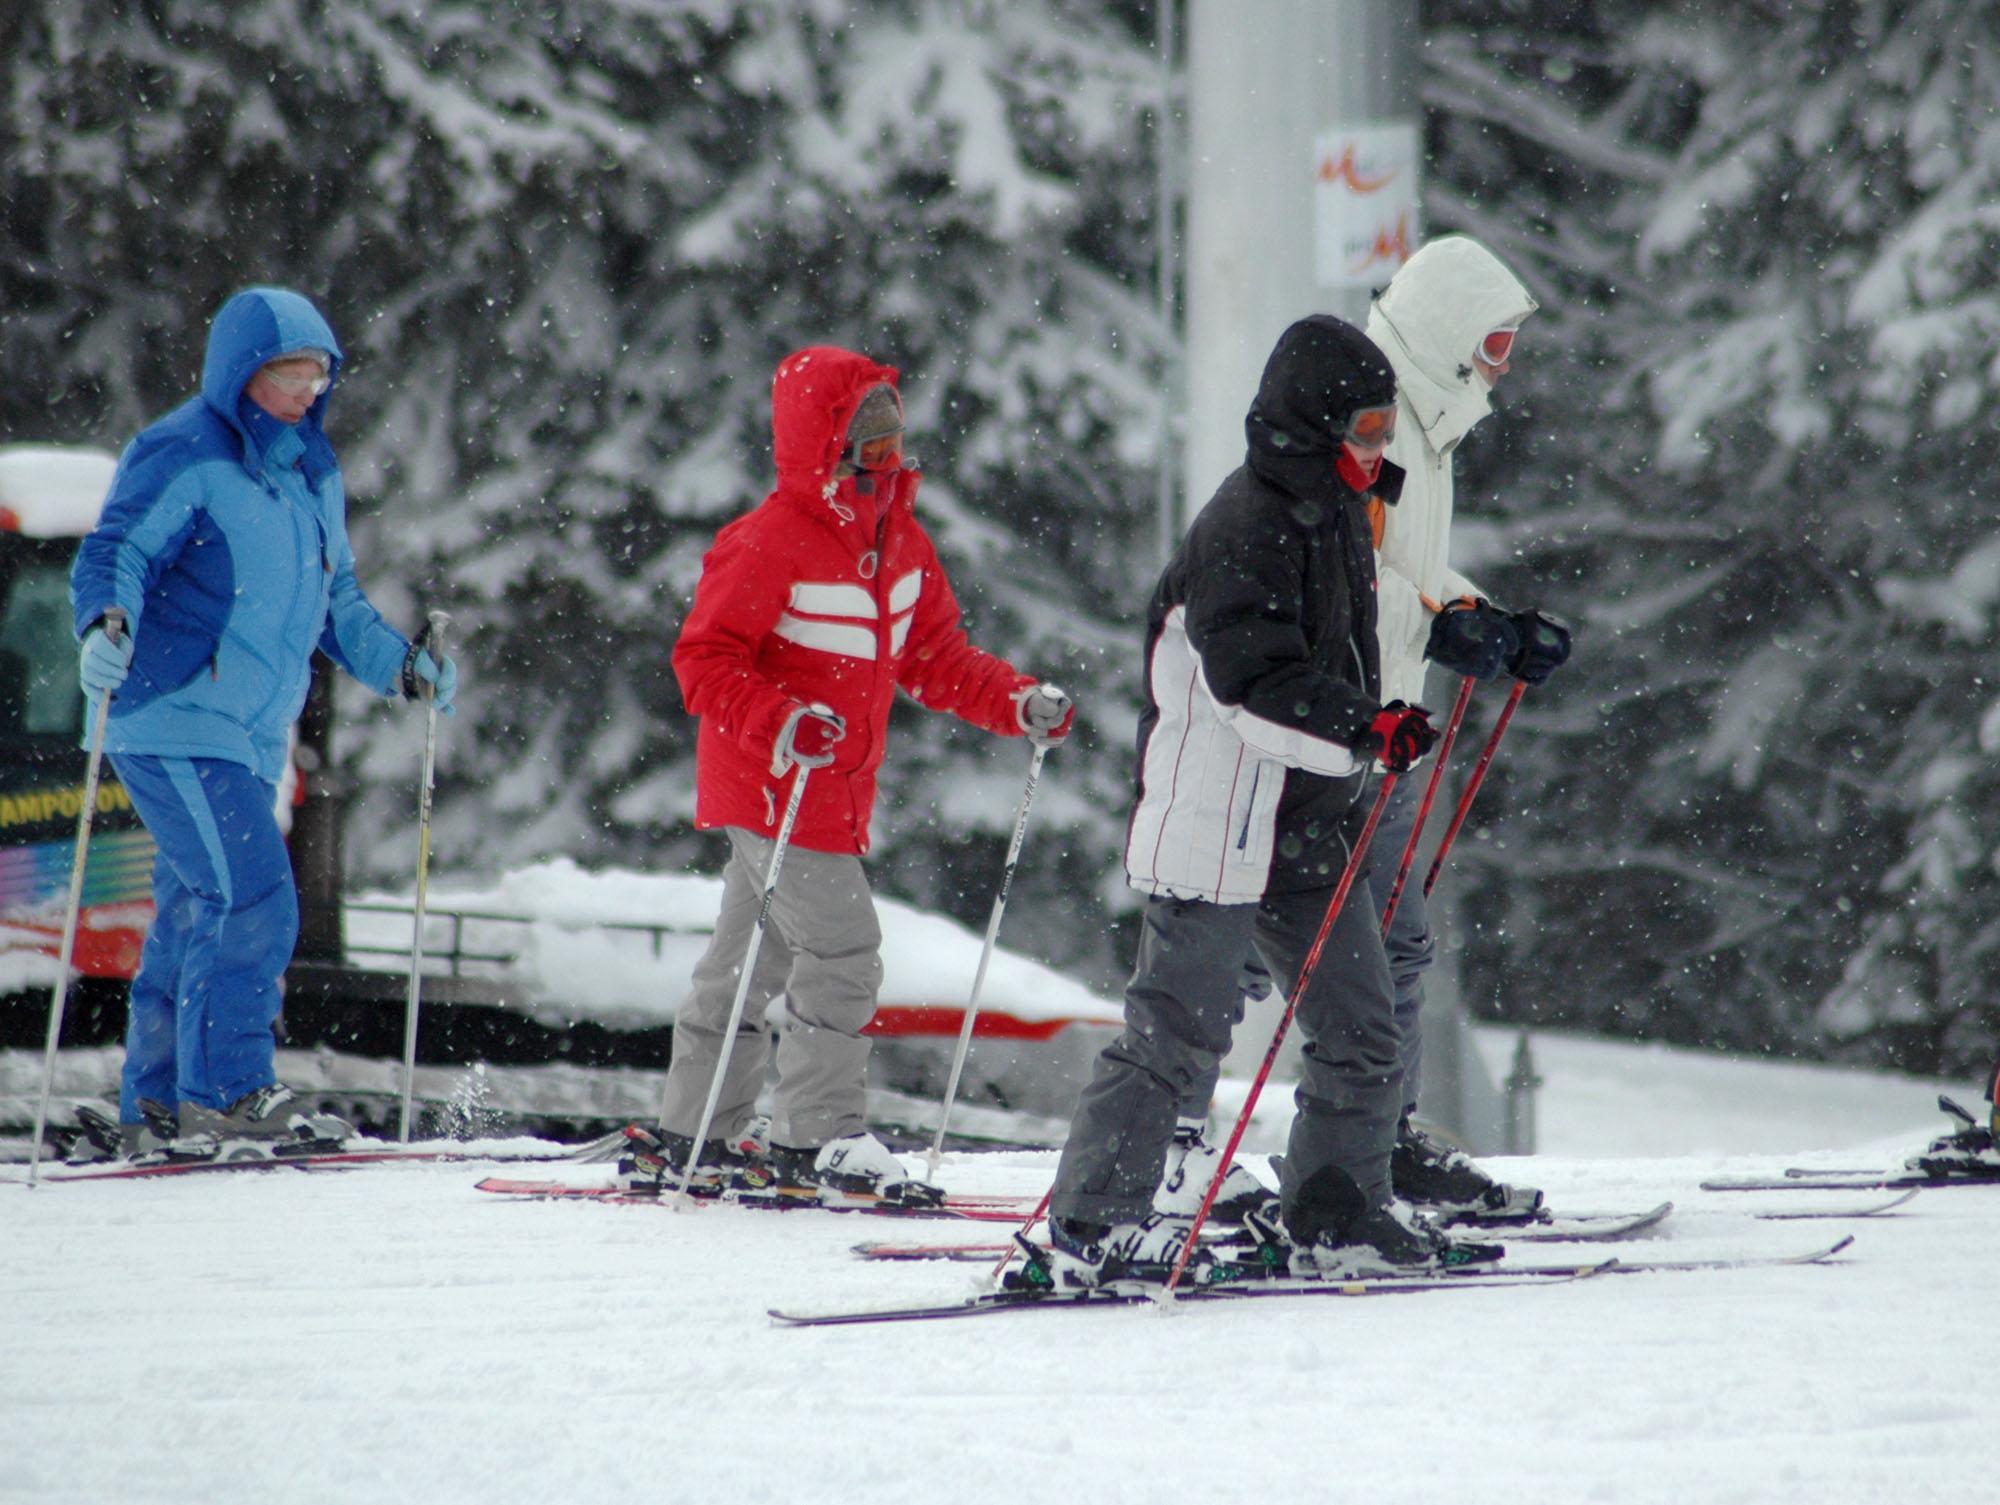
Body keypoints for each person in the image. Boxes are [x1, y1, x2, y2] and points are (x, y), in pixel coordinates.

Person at [1043, 314, 1493, 1288]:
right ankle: (1093, 1222)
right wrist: (1363, 727)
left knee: (1363, 1026)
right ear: (1313, 423)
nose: (1379, 448)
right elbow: (1250, 683)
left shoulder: (1334, 512)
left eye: (1384, 428)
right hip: (1215, 822)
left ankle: (1334, 1209)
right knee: (1177, 1030)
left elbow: (1362, 624)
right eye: (1365, 428)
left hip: (1301, 823)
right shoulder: (1242, 525)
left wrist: (1447, 643)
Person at [628, 344, 1073, 1204]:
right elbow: (705, 660)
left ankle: (696, 1130)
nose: (887, 458)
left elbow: (936, 655)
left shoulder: (899, 541)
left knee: (752, 956)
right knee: (843, 949)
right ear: (821, 445)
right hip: (772, 783)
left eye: (894, 439)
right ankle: (817, 1138)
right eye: (866, 442)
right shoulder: (769, 541)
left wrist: (1017, 701)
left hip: (829, 794)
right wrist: (783, 720)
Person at [68, 285, 457, 1158]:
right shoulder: (184, 452)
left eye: (321, 373)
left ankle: (160, 1103)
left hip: (248, 734)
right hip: (171, 713)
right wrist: (105, 624)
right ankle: (231, 1091)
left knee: (195, 908)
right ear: (242, 370)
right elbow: (116, 552)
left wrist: (400, 664)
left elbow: (337, 601)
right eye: (292, 371)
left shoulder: (311, 472)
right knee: (253, 896)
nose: (310, 389)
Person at [1361, 233, 1573, 1218]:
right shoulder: (1375, 423)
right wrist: (1444, 625)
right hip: (1336, 725)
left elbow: (1403, 561)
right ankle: (1198, 1139)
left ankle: (1377, 1136)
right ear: (1445, 329)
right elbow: (1345, 577)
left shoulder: (1426, 423)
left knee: (1393, 939)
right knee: (1258, 944)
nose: (1503, 361)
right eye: (1493, 338)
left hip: (1388, 720)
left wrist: (1482, 615)